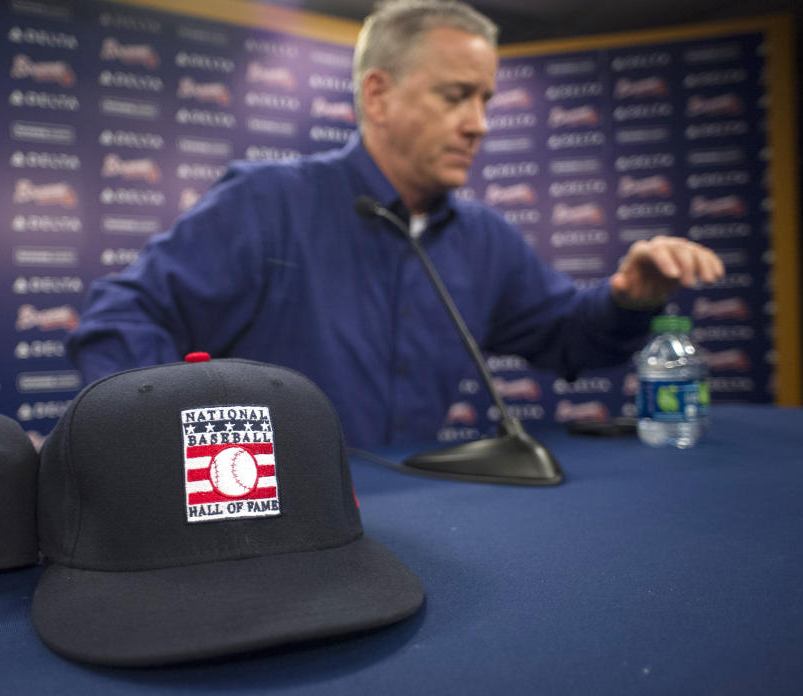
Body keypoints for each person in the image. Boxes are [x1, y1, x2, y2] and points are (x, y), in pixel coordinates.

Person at [68, 0, 724, 448]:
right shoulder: (268, 201)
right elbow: (118, 324)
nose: (478, 123)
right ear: (378, 95)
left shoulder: (484, 239)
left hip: (423, 520)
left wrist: (625, 299)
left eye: (485, 100)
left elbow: (567, 339)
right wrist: (190, 452)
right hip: (275, 531)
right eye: (454, 96)